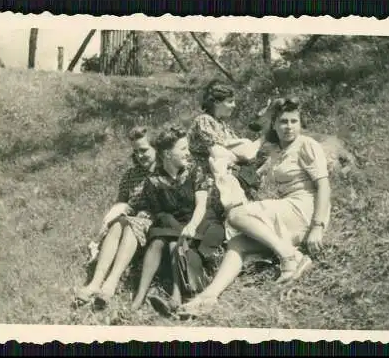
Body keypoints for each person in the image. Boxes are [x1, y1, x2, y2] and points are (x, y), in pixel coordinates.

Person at [178, 95, 332, 315]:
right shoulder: (278, 150)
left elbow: (324, 187)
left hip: (304, 209)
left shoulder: (306, 145)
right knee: (237, 244)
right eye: (283, 122)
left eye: (293, 121)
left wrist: (317, 226)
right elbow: (246, 156)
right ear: (275, 126)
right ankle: (208, 297)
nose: (288, 127)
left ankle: (291, 257)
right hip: (288, 209)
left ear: (300, 123)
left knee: (237, 215)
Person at [125, 123, 226, 313]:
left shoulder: (194, 170)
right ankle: (138, 299)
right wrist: (174, 227)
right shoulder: (153, 181)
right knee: (160, 238)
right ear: (167, 155)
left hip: (202, 221)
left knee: (173, 240)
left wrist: (191, 225)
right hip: (173, 223)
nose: (188, 152)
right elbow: (160, 213)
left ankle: (176, 296)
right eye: (183, 149)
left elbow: (201, 205)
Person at [74, 126, 157, 306]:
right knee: (118, 224)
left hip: (152, 219)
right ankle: (95, 283)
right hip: (129, 219)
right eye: (136, 152)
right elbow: (121, 202)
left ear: (156, 148)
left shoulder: (163, 172)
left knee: (130, 226)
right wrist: (121, 209)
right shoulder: (130, 175)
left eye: (144, 150)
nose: (140, 156)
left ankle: (111, 282)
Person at [187, 78, 264, 236]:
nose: (234, 105)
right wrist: (241, 150)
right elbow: (219, 154)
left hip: (223, 173)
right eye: (230, 101)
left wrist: (241, 151)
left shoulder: (222, 124)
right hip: (204, 178)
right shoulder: (204, 121)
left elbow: (246, 153)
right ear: (216, 102)